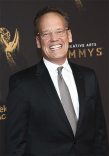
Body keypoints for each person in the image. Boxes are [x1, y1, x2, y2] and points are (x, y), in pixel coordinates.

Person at [6, 6, 109, 156]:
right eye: (46, 33)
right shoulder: (22, 83)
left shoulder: (88, 76)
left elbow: (100, 134)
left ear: (69, 35)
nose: (54, 38)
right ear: (38, 41)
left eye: (59, 31)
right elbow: (15, 146)